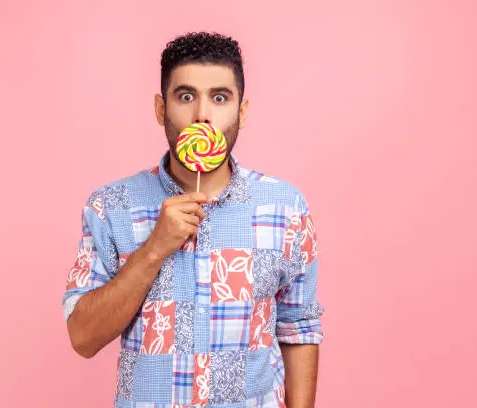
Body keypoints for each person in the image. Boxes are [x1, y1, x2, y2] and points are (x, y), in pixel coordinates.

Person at [62, 31, 325, 408]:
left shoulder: (286, 207)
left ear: (242, 111)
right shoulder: (111, 205)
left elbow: (299, 327)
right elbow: (83, 338)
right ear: (160, 108)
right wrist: (154, 248)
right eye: (186, 96)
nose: (202, 114)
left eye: (220, 97)